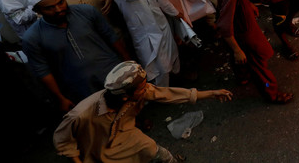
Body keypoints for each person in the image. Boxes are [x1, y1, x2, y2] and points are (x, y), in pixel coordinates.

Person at [53, 61, 233, 163]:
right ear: (125, 96)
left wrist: (211, 93)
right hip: (97, 149)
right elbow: (62, 142)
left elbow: (169, 94)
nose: (147, 88)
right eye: (142, 87)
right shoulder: (81, 114)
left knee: (158, 153)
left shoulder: (137, 93)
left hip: (128, 137)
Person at [22, 0, 130, 111]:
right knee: (100, 114)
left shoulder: (87, 12)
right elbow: (43, 71)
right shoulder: (32, 37)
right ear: (38, 11)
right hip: (80, 86)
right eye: (49, 8)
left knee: (129, 101)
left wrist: (127, 61)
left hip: (110, 69)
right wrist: (60, 98)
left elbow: (110, 36)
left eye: (60, 2)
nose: (58, 9)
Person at [216, 0, 294, 103]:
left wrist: (248, 4)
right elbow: (224, 25)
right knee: (259, 67)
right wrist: (237, 50)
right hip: (242, 32)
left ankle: (243, 77)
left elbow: (235, 1)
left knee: (243, 62)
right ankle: (271, 93)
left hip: (243, 23)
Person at [112, 0, 198, 87]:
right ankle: (163, 93)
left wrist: (176, 14)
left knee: (173, 54)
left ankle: (178, 82)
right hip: (146, 33)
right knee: (159, 67)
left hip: (161, 23)